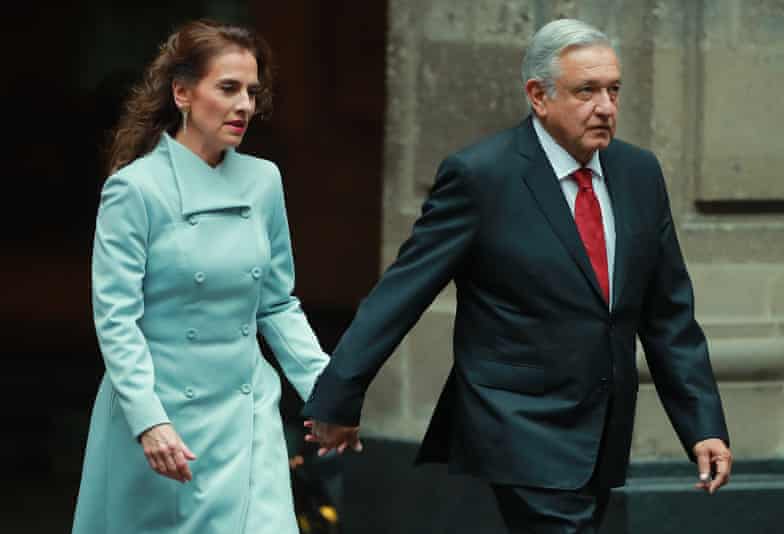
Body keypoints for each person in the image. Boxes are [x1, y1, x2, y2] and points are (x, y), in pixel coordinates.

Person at [303, 18, 732, 533]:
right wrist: (339, 395)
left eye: (613, 90)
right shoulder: (481, 176)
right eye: (587, 91)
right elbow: (403, 291)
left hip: (604, 426)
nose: (606, 107)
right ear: (538, 95)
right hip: (518, 420)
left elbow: (668, 316)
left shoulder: (638, 174)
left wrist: (701, 424)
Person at [72, 19, 330, 534]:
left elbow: (277, 304)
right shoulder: (136, 190)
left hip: (247, 412)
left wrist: (330, 390)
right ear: (183, 93)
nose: (245, 106)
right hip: (165, 421)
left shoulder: (263, 180)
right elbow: (117, 319)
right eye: (229, 88)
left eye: (253, 92)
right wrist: (149, 420)